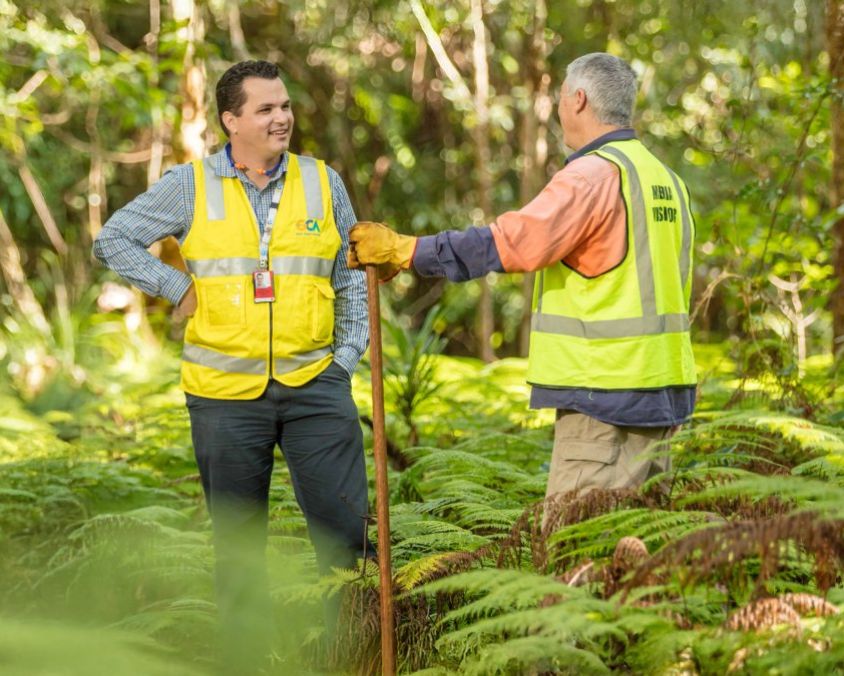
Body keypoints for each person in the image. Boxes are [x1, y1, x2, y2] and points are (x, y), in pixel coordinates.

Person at [94, 60, 373, 665]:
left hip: (314, 384)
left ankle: (346, 656)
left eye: (286, 106)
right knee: (240, 547)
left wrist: (346, 358)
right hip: (222, 396)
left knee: (346, 536)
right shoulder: (190, 184)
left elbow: (350, 274)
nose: (282, 118)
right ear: (231, 120)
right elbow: (112, 237)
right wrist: (175, 288)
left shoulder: (324, 181)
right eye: (266, 109)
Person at [349, 53, 697, 507]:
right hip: (660, 401)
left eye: (559, 99)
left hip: (604, 404)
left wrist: (408, 251)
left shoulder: (592, 176)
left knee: (579, 555)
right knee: (632, 562)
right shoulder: (664, 179)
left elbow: (508, 243)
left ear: (578, 100)